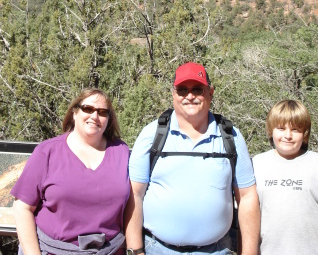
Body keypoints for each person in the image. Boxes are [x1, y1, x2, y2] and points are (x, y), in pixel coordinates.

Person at [125, 62, 260, 255]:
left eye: (197, 89)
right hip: (157, 249)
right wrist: (135, 250)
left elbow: (247, 197)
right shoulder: (151, 135)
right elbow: (135, 195)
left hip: (216, 251)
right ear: (173, 94)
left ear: (210, 92)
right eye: (182, 90)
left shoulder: (231, 137)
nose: (189, 96)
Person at [11, 88, 130, 255]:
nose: (95, 116)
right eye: (88, 109)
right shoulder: (47, 152)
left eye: (102, 112)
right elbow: (22, 208)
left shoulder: (122, 152)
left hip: (111, 250)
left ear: (109, 119)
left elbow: (133, 204)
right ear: (74, 112)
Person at [252, 99, 318, 255]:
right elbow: (247, 218)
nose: (288, 135)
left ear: (304, 134)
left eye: (296, 129)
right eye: (281, 128)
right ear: (271, 130)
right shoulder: (256, 164)